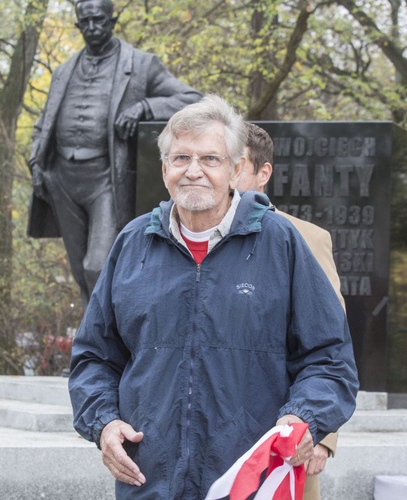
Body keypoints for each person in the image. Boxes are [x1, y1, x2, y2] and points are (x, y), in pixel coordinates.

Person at [68, 95, 359, 498]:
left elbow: (329, 359)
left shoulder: (282, 244)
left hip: (249, 481)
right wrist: (103, 424)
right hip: (149, 482)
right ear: (165, 168)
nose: (193, 172)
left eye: (210, 159)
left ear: (237, 168)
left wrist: (304, 417)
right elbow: (93, 357)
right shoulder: (132, 244)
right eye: (181, 158)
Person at [27, 0, 202, 305]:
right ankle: (93, 343)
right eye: (86, 23)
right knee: (80, 272)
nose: (92, 28)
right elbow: (43, 126)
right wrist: (35, 163)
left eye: (99, 21)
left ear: (113, 21)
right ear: (78, 25)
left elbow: (191, 97)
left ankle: (113, 338)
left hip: (105, 181)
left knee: (98, 266)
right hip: (62, 181)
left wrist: (144, 107)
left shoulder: (140, 64)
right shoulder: (63, 71)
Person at [237, 122, 342, 500]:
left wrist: (322, 435)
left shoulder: (305, 238)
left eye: (237, 164)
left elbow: (331, 344)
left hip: (284, 443)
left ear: (263, 173)